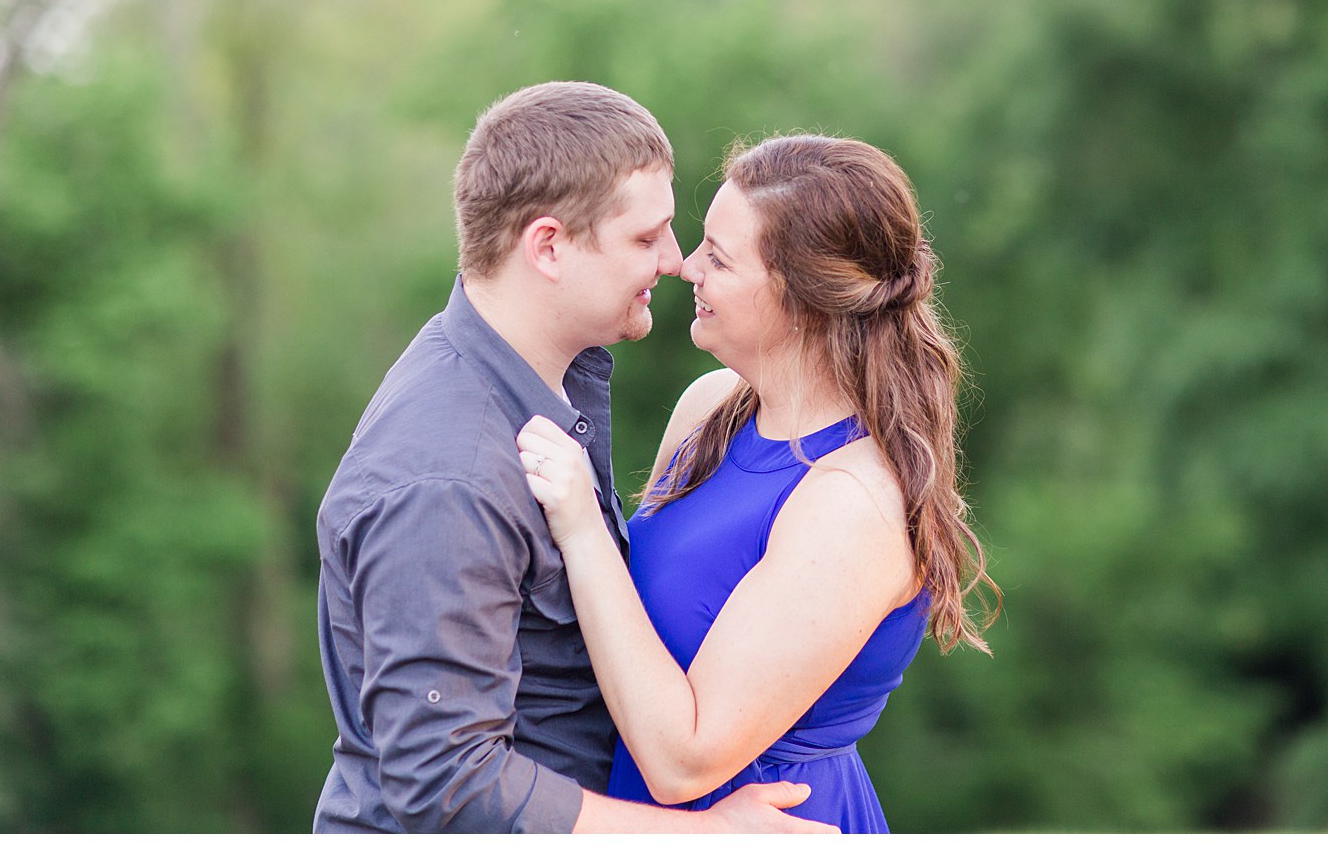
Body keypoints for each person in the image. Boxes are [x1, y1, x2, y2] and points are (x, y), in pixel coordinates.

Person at [312, 82, 836, 834]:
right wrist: (708, 834)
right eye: (645, 237)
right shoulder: (447, 475)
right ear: (549, 246)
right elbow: (447, 784)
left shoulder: (545, 376)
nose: (676, 260)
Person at [517, 133, 1001, 833]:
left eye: (718, 256)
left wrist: (581, 525)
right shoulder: (711, 407)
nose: (686, 267)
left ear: (802, 299)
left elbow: (683, 761)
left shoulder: (851, 502)